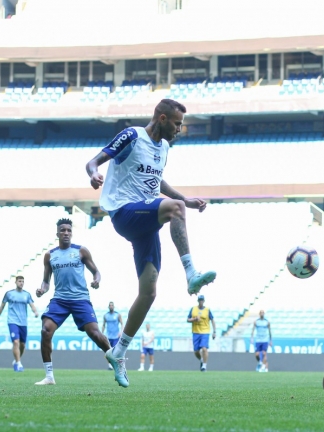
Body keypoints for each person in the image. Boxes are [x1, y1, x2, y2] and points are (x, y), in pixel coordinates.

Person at [86, 99, 217, 385]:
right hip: (123, 211)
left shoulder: (164, 148)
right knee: (174, 208)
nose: (179, 129)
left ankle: (117, 352)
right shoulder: (133, 135)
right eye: (176, 123)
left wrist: (187, 200)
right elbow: (94, 160)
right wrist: (94, 172)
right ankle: (191, 273)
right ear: (161, 118)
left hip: (144, 218)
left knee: (148, 293)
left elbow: (157, 183)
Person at [34, 218, 119, 386]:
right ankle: (49, 376)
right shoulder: (50, 255)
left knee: (95, 333)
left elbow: (96, 272)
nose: (66, 233)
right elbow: (46, 280)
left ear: (71, 233)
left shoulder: (81, 251)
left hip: (80, 298)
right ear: (57, 233)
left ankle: (115, 361)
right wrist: (42, 289)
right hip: (60, 299)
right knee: (45, 331)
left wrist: (96, 280)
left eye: (69, 230)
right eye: (63, 230)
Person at [0, 275, 39, 372]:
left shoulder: (27, 295)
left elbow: (32, 305)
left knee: (22, 345)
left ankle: (17, 360)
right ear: (16, 282)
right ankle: (19, 364)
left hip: (23, 323)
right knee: (16, 342)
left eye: (23, 281)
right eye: (19, 281)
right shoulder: (9, 294)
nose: (21, 283)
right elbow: (2, 307)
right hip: (12, 321)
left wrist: (35, 312)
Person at [187, 294, 216, 372]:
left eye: (202, 300)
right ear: (198, 301)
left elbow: (212, 320)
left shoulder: (207, 310)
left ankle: (204, 366)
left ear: (204, 301)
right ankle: (202, 360)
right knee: (196, 351)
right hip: (196, 332)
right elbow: (188, 319)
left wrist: (214, 332)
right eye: (200, 300)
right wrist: (194, 319)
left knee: (204, 348)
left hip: (205, 332)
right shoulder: (193, 309)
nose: (201, 302)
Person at [102, 302, 123, 370]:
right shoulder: (106, 315)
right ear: (108, 307)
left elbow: (122, 324)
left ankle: (116, 364)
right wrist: (102, 334)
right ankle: (110, 365)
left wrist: (121, 332)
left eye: (112, 305)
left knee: (115, 351)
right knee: (108, 352)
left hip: (115, 336)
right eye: (110, 305)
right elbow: (103, 325)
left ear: (114, 306)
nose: (111, 306)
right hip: (108, 336)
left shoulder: (117, 315)